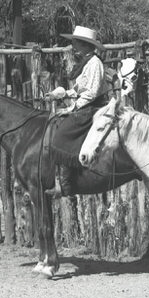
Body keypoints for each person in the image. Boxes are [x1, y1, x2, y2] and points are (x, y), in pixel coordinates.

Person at [47, 25, 112, 197]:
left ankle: (67, 185)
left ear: (84, 44)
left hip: (94, 107)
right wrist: (60, 94)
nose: (73, 45)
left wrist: (71, 108)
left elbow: (91, 93)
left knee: (64, 133)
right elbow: (80, 90)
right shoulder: (87, 62)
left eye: (76, 42)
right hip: (87, 104)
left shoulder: (95, 63)